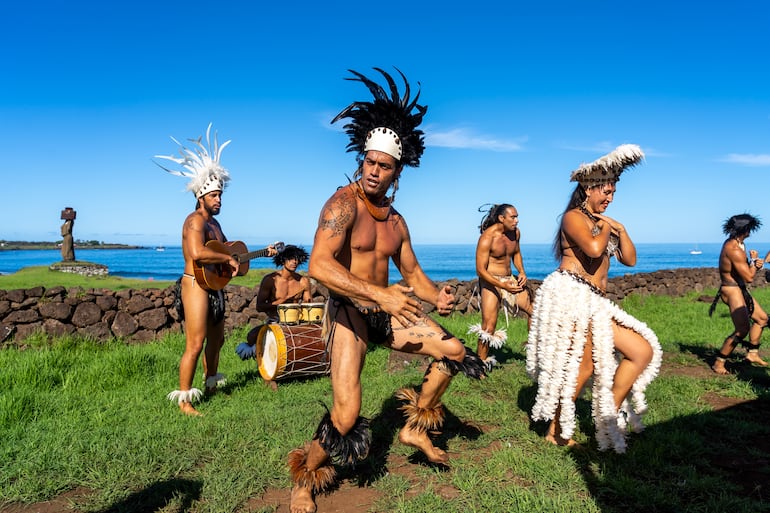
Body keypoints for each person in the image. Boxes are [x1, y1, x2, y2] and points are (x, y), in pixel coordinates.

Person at [288, 68, 486, 513]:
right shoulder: (342, 203)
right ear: (362, 160)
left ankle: (415, 427)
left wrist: (436, 296)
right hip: (348, 313)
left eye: (384, 166)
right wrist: (379, 296)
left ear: (397, 172)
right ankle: (304, 476)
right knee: (345, 416)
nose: (374, 172)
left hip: (388, 310)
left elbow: (413, 273)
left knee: (455, 352)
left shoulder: (396, 223)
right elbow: (319, 266)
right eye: (370, 162)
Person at [525, 144, 662, 453]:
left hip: (595, 301)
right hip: (571, 295)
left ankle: (606, 417)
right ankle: (556, 431)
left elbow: (630, 260)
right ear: (587, 189)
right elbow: (594, 249)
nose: (610, 198)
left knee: (641, 351)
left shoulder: (605, 224)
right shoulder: (573, 217)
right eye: (605, 192)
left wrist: (621, 229)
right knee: (583, 366)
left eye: (613, 193)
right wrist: (605, 226)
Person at [157, 123, 275, 416]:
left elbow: (226, 253)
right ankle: (184, 401)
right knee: (195, 343)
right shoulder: (195, 221)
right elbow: (198, 253)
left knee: (217, 340)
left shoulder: (216, 224)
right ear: (201, 196)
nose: (219, 199)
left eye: (221, 195)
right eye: (214, 196)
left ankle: (210, 384)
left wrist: (255, 255)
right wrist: (226, 260)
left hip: (213, 288)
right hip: (194, 286)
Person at [468, 203, 532, 370]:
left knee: (534, 311)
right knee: (489, 326)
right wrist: (501, 285)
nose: (517, 220)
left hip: (509, 279)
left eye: (517, 216)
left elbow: (516, 253)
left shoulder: (515, 233)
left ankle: (533, 352)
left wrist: (522, 272)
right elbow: (480, 270)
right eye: (513, 217)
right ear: (501, 218)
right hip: (491, 280)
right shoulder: (487, 237)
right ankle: (480, 364)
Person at [709, 214, 768, 374]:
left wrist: (754, 261)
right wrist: (756, 263)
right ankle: (719, 362)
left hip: (739, 288)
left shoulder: (739, 243)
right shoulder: (734, 249)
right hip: (732, 290)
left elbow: (742, 270)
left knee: (762, 319)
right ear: (745, 229)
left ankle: (752, 354)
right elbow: (749, 277)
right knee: (742, 329)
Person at [235, 245, 312, 361]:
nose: (294, 262)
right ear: (282, 259)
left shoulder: (303, 281)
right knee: (251, 336)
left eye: (297, 259)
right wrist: (279, 303)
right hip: (275, 321)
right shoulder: (270, 280)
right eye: (290, 258)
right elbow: (259, 306)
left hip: (296, 322)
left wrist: (305, 306)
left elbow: (309, 306)